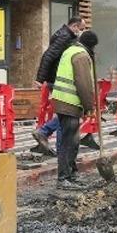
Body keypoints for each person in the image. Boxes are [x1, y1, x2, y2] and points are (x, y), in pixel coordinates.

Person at [50, 30, 98, 188]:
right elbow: (83, 83)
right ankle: (64, 178)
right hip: (69, 102)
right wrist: (89, 107)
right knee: (69, 142)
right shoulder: (82, 56)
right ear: (92, 46)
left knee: (72, 140)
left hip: (62, 101)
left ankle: (71, 174)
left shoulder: (70, 50)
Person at [33, 16, 86, 155]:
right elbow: (48, 56)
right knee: (67, 114)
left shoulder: (64, 34)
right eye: (81, 29)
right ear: (74, 26)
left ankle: (53, 140)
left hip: (59, 80)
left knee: (65, 114)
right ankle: (54, 141)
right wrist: (40, 79)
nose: (81, 32)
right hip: (60, 81)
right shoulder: (64, 36)